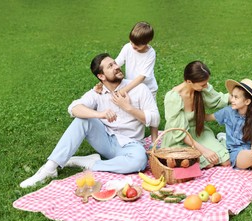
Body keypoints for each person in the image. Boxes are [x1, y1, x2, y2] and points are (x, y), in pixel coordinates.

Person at [20, 53, 160, 188]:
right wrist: (100, 114)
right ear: (101, 76)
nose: (116, 66)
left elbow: (155, 118)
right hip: (106, 140)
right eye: (110, 66)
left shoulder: (139, 89)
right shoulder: (97, 93)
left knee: (140, 161)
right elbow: (73, 108)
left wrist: (128, 107)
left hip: (131, 144)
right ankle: (50, 167)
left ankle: (91, 163)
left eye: (115, 63)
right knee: (82, 120)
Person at [95, 21, 159, 145]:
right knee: (131, 109)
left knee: (152, 115)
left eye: (137, 45)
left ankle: (155, 140)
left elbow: (142, 77)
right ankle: (131, 135)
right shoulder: (127, 47)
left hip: (148, 87)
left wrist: (124, 89)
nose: (133, 46)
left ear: (147, 42)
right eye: (131, 42)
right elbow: (116, 64)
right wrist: (102, 82)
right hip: (131, 86)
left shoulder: (151, 53)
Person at [161, 61, 231, 169]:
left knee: (225, 161)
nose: (206, 86)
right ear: (189, 81)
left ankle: (222, 140)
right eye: (203, 84)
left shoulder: (201, 89)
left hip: (199, 132)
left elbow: (218, 100)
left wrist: (240, 96)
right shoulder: (173, 98)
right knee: (208, 163)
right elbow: (179, 133)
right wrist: (204, 150)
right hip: (181, 138)